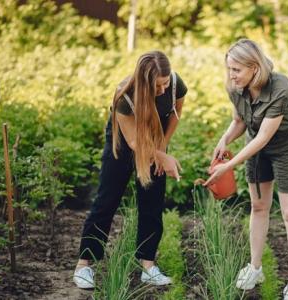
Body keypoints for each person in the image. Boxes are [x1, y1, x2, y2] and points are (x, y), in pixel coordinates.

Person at [204, 39, 288, 300]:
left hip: (287, 149)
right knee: (259, 206)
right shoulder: (236, 87)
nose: (231, 75)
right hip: (257, 150)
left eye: (236, 70)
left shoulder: (281, 88)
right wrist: (225, 139)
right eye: (229, 68)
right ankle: (255, 268)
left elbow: (263, 136)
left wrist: (228, 165)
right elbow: (240, 120)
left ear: (254, 67)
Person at [73, 50, 187, 289]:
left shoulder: (175, 84)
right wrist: (162, 157)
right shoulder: (124, 96)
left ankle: (148, 266)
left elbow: (175, 113)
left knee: (152, 202)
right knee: (107, 201)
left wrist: (162, 148)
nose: (164, 89)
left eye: (166, 83)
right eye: (158, 85)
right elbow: (135, 143)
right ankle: (84, 265)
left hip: (156, 141)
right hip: (123, 144)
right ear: (144, 83)